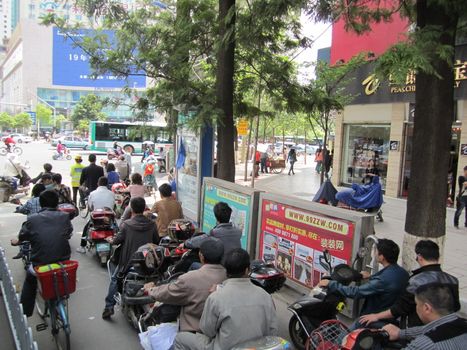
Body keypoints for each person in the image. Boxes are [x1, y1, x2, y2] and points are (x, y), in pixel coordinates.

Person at [173, 248, 278, 350]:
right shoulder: (265, 296)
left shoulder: (216, 297)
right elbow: (272, 331)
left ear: (226, 270)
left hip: (222, 347)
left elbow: (207, 331)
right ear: (247, 270)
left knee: (180, 338)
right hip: (257, 347)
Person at [360, 240, 460, 329]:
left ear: (419, 257)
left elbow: (400, 308)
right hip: (446, 328)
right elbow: (456, 307)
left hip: (415, 330)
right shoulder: (453, 280)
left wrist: (376, 316)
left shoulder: (416, 281)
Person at [318, 239, 409, 328]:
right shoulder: (403, 273)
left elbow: (355, 292)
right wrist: (371, 277)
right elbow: (386, 282)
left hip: (374, 318)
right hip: (392, 316)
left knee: (344, 339)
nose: (374, 253)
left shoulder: (381, 281)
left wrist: (331, 284)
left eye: (375, 251)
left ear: (382, 257)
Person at [10, 190, 73, 317]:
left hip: (41, 261)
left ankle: (25, 313)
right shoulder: (64, 216)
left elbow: (23, 235)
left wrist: (17, 241)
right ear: (57, 203)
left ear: (41, 203)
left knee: (30, 278)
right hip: (63, 260)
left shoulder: (32, 219)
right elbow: (68, 232)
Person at [143, 239, 227, 332]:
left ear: (201, 256)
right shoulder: (228, 277)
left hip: (194, 330)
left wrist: (151, 290)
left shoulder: (189, 278)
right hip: (219, 329)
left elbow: (167, 293)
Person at [102, 197, 159, 319]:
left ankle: (109, 307)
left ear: (131, 208)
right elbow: (156, 242)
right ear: (144, 208)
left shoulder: (127, 225)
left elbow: (116, 241)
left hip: (128, 263)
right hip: (148, 263)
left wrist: (110, 240)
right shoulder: (152, 224)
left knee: (114, 279)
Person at [382, 283, 467, 349]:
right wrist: (400, 333)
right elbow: (425, 329)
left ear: (426, 308)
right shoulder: (462, 322)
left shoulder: (423, 344)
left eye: (417, 304)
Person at [76, 177, 115, 253]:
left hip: (96, 219)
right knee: (117, 228)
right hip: (109, 217)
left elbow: (90, 208)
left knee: (86, 228)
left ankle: (82, 246)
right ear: (107, 184)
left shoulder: (93, 193)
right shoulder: (112, 193)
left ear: (98, 183)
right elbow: (113, 206)